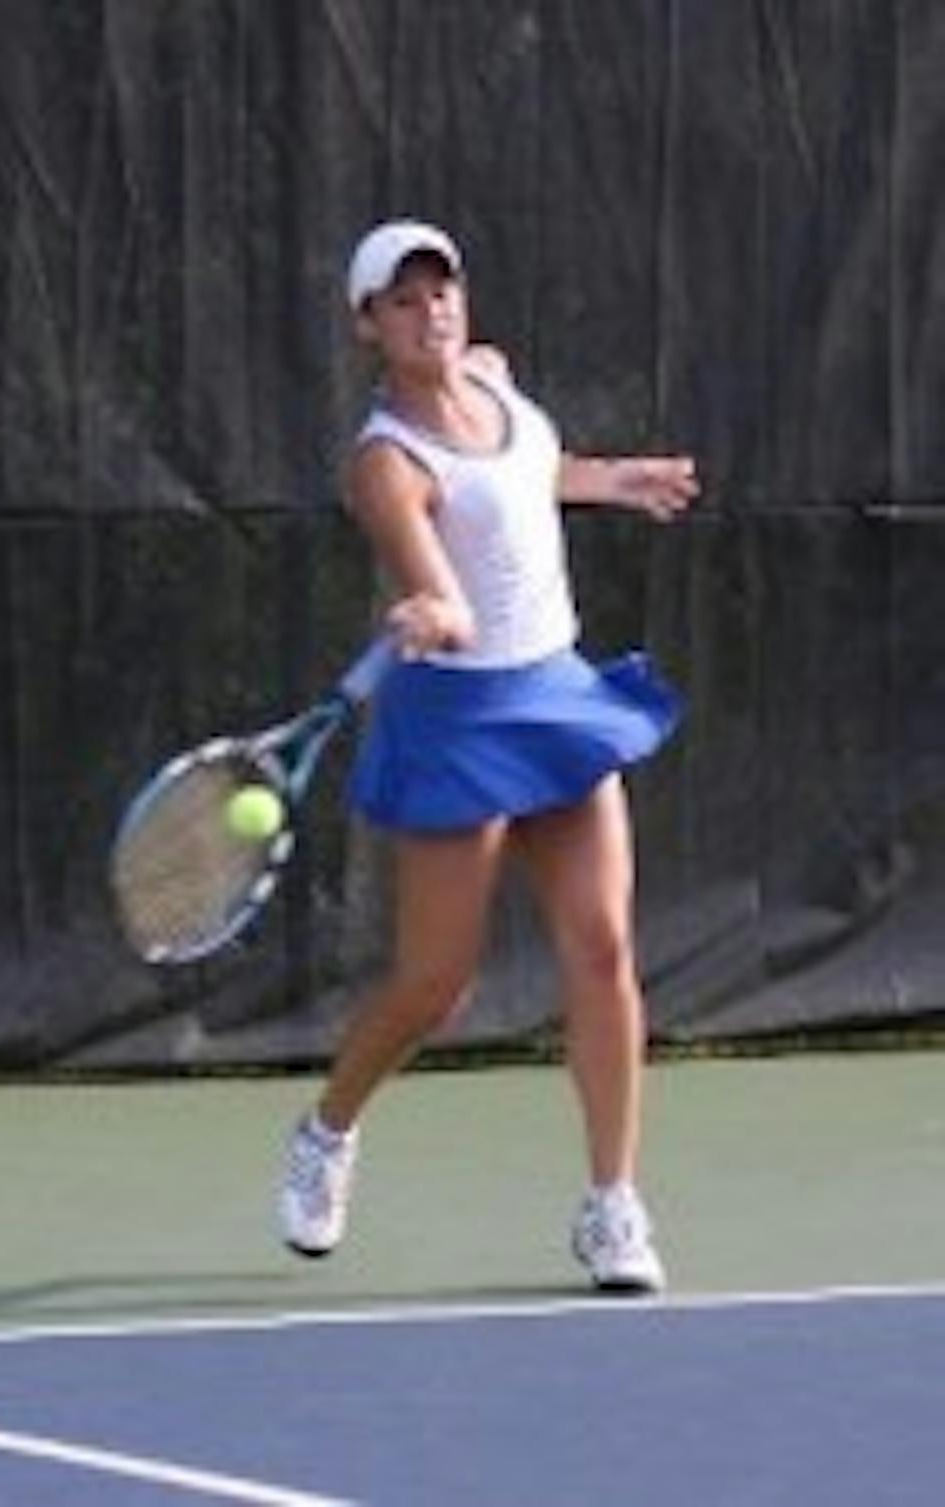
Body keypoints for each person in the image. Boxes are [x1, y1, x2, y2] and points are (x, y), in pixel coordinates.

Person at [279, 220, 699, 1292]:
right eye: (405, 300)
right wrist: (434, 605)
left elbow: (526, 479)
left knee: (602, 947)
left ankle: (613, 1205)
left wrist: (612, 480)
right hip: (460, 718)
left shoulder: (493, 379)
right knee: (436, 986)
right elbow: (434, 571)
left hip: (556, 692)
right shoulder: (384, 463)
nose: (432, 311)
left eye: (443, 290)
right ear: (368, 325)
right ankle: (327, 1131)